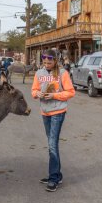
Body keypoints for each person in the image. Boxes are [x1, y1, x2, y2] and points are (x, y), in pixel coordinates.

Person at [31, 49, 75, 192]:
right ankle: (57, 174)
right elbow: (33, 91)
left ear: (55, 60)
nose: (47, 64)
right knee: (52, 144)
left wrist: (54, 96)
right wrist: (37, 93)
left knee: (52, 145)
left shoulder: (63, 73)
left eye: (49, 62)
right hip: (45, 112)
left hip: (58, 111)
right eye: (44, 62)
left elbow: (71, 92)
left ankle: (53, 178)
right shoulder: (39, 73)